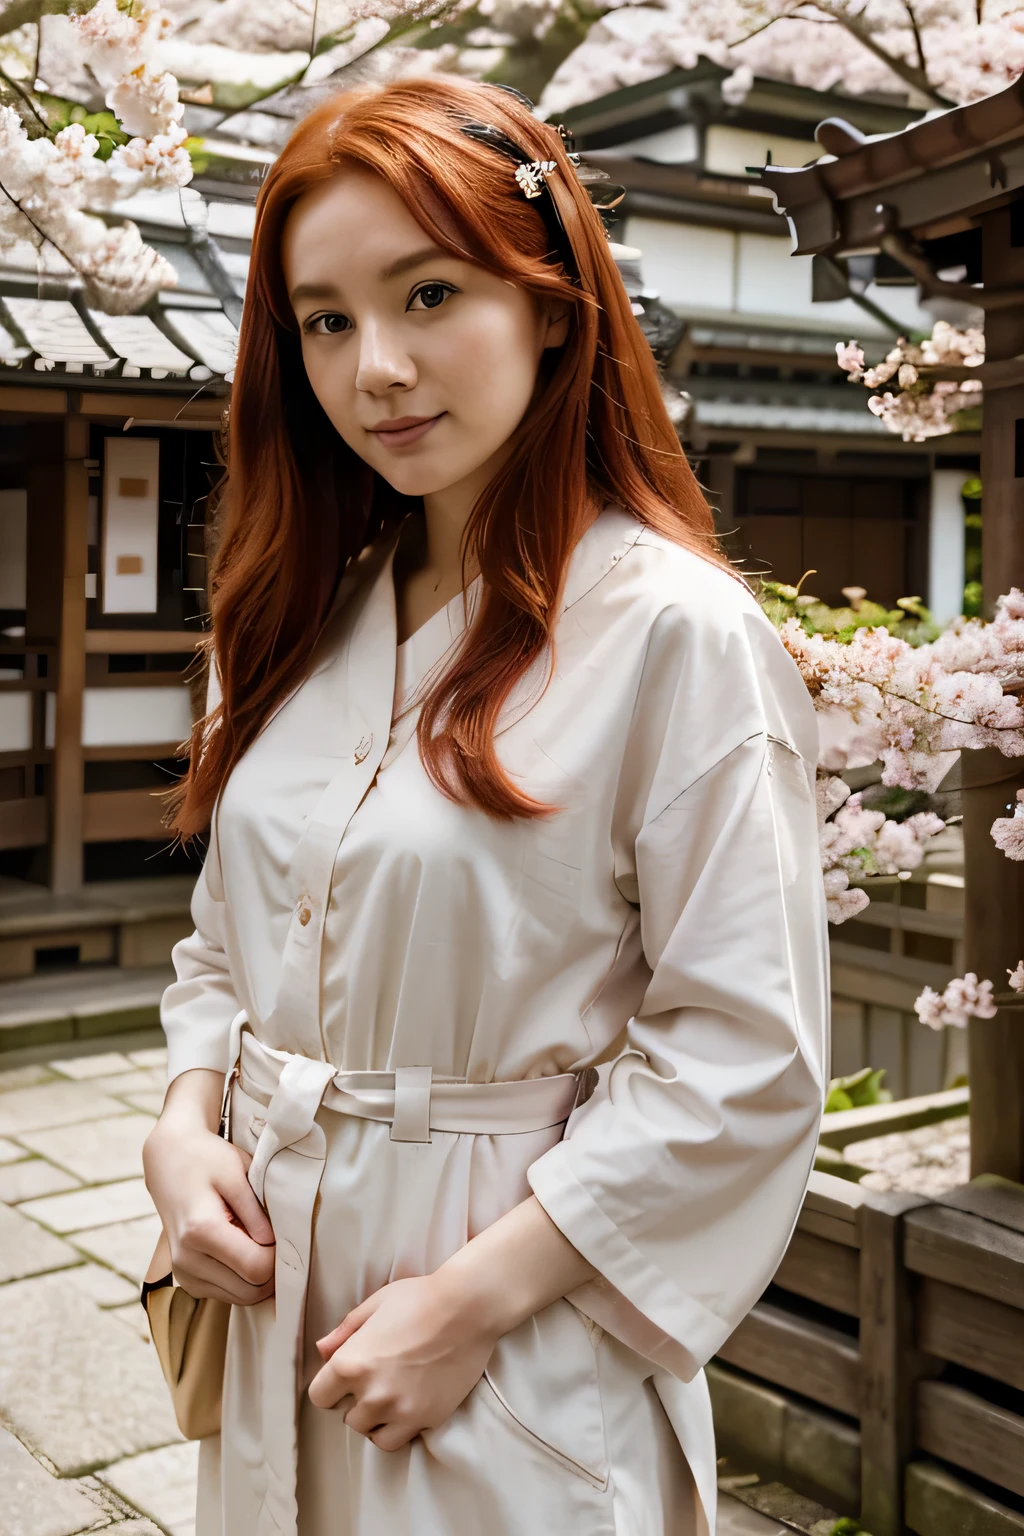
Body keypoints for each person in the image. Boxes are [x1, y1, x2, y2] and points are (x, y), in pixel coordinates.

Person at [143, 75, 829, 1536]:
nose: (375, 365)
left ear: (555, 306)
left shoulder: (674, 637)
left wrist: (470, 1304)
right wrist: (184, 1124)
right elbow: (224, 944)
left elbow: (742, 1056)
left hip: (508, 1316)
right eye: (325, 321)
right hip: (275, 1284)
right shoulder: (301, 615)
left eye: (429, 292)